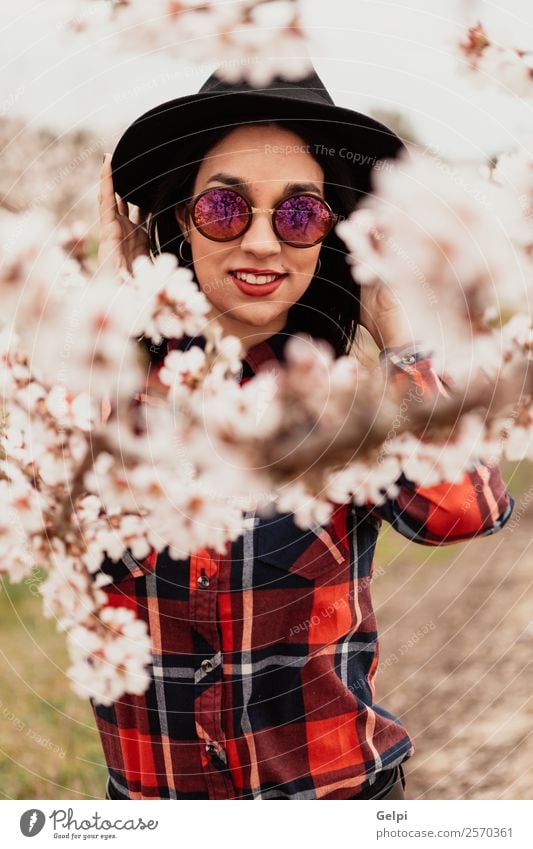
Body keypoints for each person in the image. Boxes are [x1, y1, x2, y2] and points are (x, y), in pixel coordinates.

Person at [95, 65, 514, 800]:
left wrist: (393, 327)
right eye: (225, 207)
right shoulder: (103, 396)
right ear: (182, 220)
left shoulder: (346, 404)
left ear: (330, 236)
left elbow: (463, 511)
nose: (261, 242)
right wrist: (115, 310)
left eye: (298, 215)